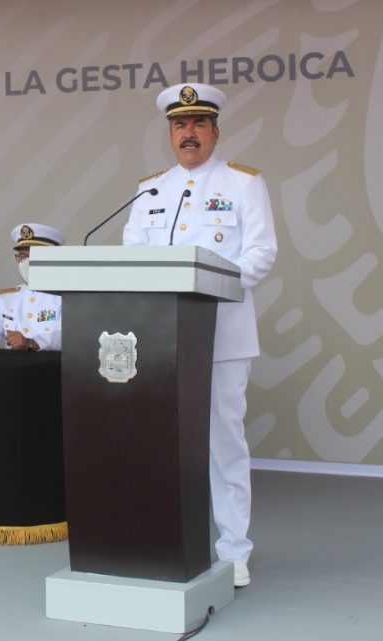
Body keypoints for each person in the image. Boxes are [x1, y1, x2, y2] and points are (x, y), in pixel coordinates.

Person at [122, 83, 277, 588]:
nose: (188, 134)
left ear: (215, 130)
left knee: (223, 444)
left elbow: (260, 254)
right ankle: (165, 542)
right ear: (170, 133)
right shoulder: (150, 189)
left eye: (198, 124)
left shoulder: (242, 183)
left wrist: (204, 288)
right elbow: (131, 256)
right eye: (179, 125)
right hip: (160, 341)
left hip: (221, 337)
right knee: (160, 444)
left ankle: (234, 551)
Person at [0, 223, 64, 351]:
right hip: (13, 367)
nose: (26, 262)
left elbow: (72, 335)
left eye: (34, 256)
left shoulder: (68, 296)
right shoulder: (9, 297)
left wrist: (33, 342)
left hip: (51, 367)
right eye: (22, 256)